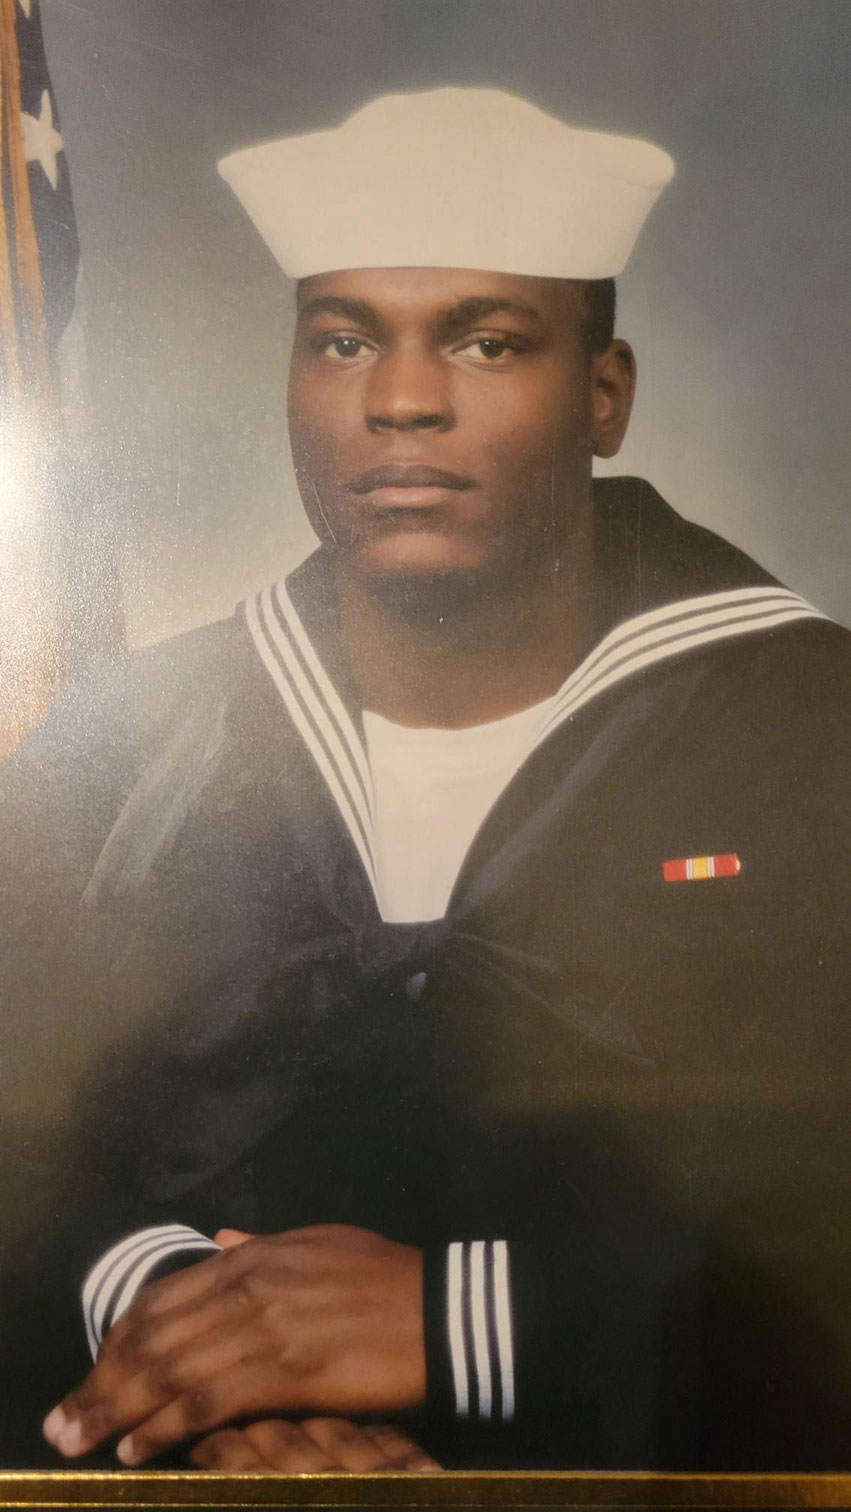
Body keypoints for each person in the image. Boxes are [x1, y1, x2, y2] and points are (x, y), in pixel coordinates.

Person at [1, 88, 849, 1473]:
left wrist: (464, 1325)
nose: (399, 399)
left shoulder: (820, 737)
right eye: (341, 338)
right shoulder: (122, 751)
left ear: (605, 394)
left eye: (486, 339)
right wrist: (185, 1334)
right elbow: (17, 1157)